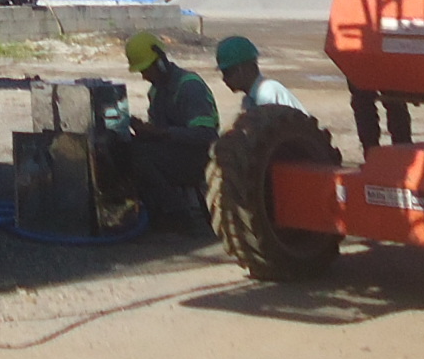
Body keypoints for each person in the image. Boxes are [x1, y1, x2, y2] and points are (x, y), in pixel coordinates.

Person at [123, 29, 219, 225]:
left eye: (146, 70)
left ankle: (176, 213)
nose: (144, 77)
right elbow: (158, 133)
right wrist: (143, 131)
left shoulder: (189, 87)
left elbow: (205, 135)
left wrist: (161, 133)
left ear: (160, 62)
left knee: (141, 157)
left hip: (198, 157)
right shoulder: (156, 92)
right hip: (174, 153)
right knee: (127, 148)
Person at [339, 0, 414, 148]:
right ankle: (376, 151)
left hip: (374, 37)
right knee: (368, 101)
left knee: (389, 100)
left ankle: (395, 150)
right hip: (364, 37)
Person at [214, 34, 299, 115]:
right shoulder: (249, 100)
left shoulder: (267, 92)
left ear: (241, 69)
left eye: (227, 72)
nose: (224, 79)